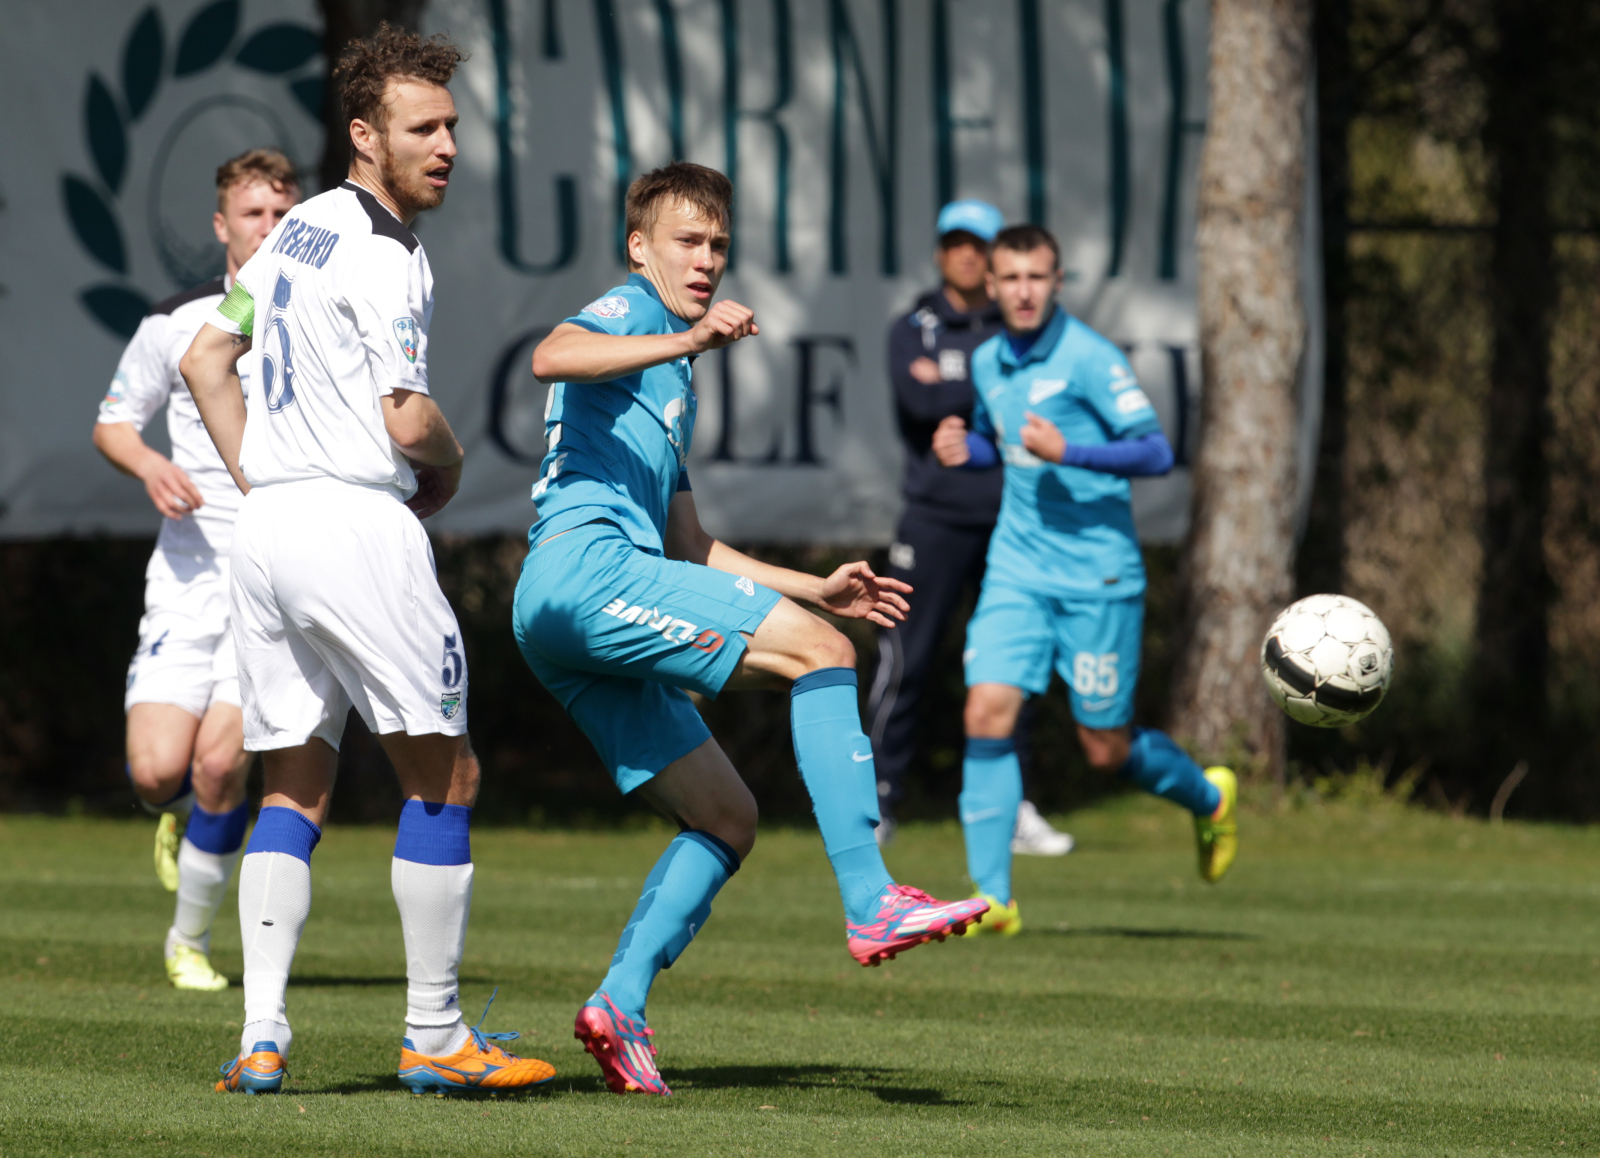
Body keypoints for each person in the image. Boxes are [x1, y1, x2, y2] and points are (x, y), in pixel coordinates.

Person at [515, 161, 989, 1097]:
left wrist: (813, 585)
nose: (705, 259)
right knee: (825, 657)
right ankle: (869, 899)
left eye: (718, 245)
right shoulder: (636, 315)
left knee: (728, 817)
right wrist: (683, 333)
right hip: (587, 573)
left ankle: (618, 1003)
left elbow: (689, 542)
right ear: (639, 247)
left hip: (570, 605)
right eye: (686, 242)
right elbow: (552, 352)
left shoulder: (670, 371)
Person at [180, 25, 553, 1096]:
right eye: (420, 127)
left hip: (272, 534)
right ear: (362, 133)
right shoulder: (387, 253)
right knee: (446, 776)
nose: (443, 146)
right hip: (352, 527)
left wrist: (264, 476)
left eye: (449, 126)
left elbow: (213, 355)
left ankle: (260, 1036)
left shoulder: (293, 230)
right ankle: (435, 1038)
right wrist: (451, 458)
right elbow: (404, 419)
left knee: (293, 783)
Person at [932, 224, 1238, 936]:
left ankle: (1210, 799)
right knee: (985, 715)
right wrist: (968, 449)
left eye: (1037, 277)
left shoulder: (1091, 359)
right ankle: (993, 901)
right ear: (991, 284)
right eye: (1010, 278)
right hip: (1016, 568)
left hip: (1098, 576)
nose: (1024, 291)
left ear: (1058, 280)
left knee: (1105, 747)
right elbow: (1000, 440)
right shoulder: (987, 363)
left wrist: (1069, 449)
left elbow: (1157, 451)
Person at [93, 149, 300, 992]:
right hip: (185, 577)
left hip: (272, 580)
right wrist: (148, 466)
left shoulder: (317, 318)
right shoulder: (176, 322)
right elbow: (113, 423)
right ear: (223, 227)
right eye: (254, 215)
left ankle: (190, 943)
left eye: (283, 215)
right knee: (155, 772)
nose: (270, 229)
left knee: (222, 766)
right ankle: (177, 817)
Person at [868, 199, 1073, 856]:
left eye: (978, 245)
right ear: (940, 253)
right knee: (906, 660)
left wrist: (959, 380)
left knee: (1010, 665)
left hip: (1013, 519)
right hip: (932, 520)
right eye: (955, 243)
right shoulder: (914, 327)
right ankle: (875, 800)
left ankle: (1013, 809)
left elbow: (1032, 399)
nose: (967, 254)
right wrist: (985, 385)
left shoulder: (1023, 328)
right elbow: (918, 401)